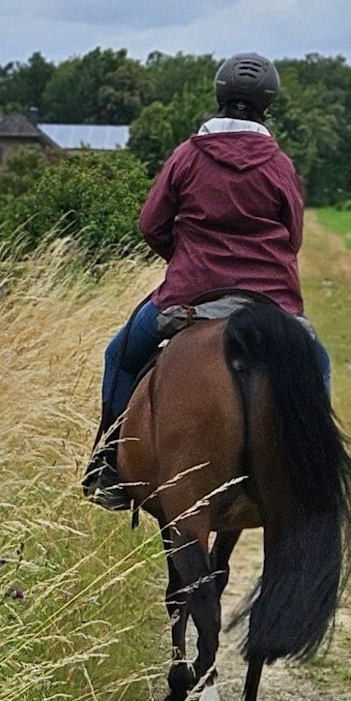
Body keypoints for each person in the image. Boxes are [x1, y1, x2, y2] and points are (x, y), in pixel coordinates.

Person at [82, 53, 332, 511]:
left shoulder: (187, 155)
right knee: (316, 361)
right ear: (268, 103)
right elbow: (293, 237)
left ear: (219, 95)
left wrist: (184, 259)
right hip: (268, 300)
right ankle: (319, 473)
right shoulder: (279, 164)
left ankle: (107, 467)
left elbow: (150, 223)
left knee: (119, 356)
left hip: (189, 296)